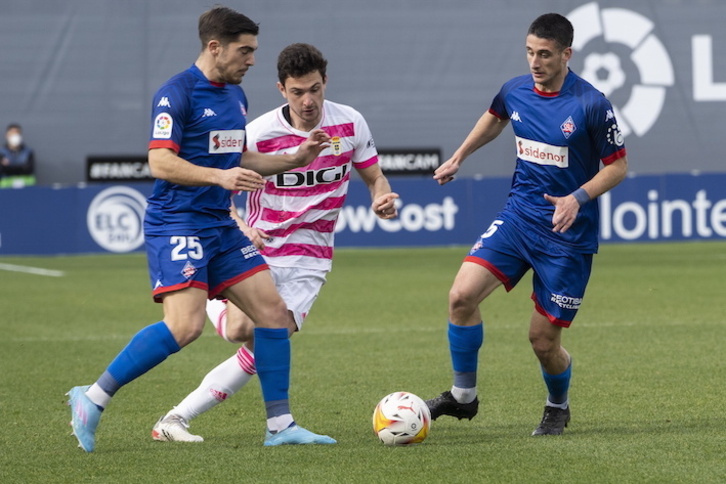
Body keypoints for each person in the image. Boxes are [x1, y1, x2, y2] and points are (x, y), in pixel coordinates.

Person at [66, 6, 337, 452]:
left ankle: (280, 425)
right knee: (184, 328)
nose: (251, 60)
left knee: (272, 314)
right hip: (178, 221)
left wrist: (294, 159)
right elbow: (160, 161)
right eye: (244, 51)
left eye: (253, 51)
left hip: (219, 225)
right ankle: (92, 398)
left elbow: (239, 156)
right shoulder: (176, 93)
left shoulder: (236, 97)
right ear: (215, 47)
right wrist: (219, 177)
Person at [150, 42, 399, 442]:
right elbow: (219, 187)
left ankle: (177, 419)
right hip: (260, 248)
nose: (308, 101)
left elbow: (375, 176)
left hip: (311, 257)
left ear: (325, 83)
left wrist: (381, 198)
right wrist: (240, 225)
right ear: (281, 89)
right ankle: (214, 302)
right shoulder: (258, 133)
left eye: (315, 89)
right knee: (239, 333)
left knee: (270, 338)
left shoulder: (350, 123)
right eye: (298, 92)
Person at [425, 13, 628, 436]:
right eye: (530, 52)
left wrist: (577, 197)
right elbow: (496, 118)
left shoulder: (590, 104)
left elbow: (618, 167)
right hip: (519, 218)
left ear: (566, 54)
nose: (535, 62)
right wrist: (460, 156)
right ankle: (463, 397)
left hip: (567, 236)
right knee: (461, 296)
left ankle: (558, 405)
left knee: (542, 342)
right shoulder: (515, 90)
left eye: (545, 54)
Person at [0, 123, 36, 187]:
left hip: (25, 184)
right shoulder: (1, 152)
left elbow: (29, 170)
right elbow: (2, 170)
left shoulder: (28, 152)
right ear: (6, 135)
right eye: (12, 133)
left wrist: (9, 167)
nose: (14, 135)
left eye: (17, 133)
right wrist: (22, 167)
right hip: (6, 185)